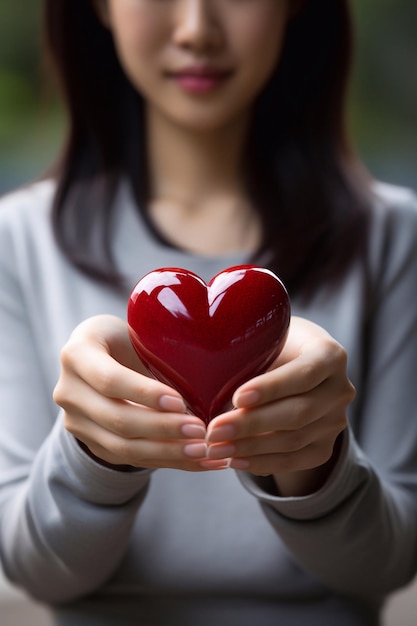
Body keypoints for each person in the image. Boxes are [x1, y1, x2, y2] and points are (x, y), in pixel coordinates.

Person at [1, 1, 417, 624]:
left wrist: (315, 459)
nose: (197, 29)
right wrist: (94, 452)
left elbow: (390, 562)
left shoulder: (394, 236)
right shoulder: (17, 239)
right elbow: (35, 570)